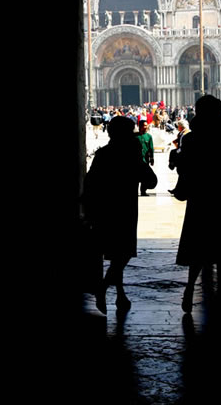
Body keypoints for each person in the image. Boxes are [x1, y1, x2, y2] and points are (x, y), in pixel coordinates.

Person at [174, 95, 221, 313]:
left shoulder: (191, 138)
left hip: (199, 198)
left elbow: (183, 168)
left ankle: (189, 291)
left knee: (197, 246)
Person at [82, 115, 145, 315]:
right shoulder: (129, 155)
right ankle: (103, 288)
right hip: (123, 211)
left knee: (116, 254)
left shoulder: (103, 154)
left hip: (105, 211)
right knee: (122, 254)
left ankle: (120, 293)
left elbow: (89, 182)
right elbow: (150, 180)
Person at [136, 120, 154, 196]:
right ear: (139, 126)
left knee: (145, 177)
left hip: (145, 160)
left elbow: (151, 148)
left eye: (146, 125)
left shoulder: (149, 136)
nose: (146, 127)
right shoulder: (134, 136)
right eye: (144, 125)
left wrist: (152, 158)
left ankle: (143, 191)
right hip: (136, 160)